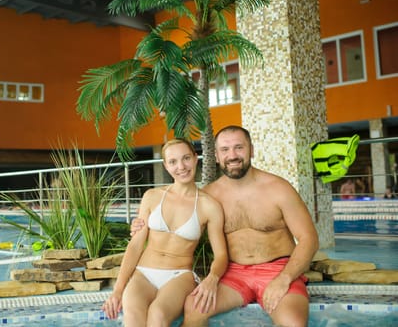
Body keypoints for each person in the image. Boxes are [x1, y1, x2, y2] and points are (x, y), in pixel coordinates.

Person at [132, 125, 319, 327]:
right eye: (225, 150)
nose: (232, 155)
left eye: (239, 147)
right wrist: (141, 225)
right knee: (195, 307)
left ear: (252, 150)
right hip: (234, 273)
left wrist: (285, 278)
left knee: (293, 323)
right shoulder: (210, 197)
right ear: (217, 156)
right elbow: (174, 228)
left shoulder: (279, 189)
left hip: (277, 269)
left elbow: (309, 239)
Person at [102, 139, 228, 326]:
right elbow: (136, 246)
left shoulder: (209, 206)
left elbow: (221, 255)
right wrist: (118, 290)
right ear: (166, 166)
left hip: (179, 275)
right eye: (173, 161)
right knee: (132, 317)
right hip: (143, 273)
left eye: (186, 158)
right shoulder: (152, 197)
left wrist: (212, 278)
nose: (181, 167)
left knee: (157, 316)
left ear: (195, 158)